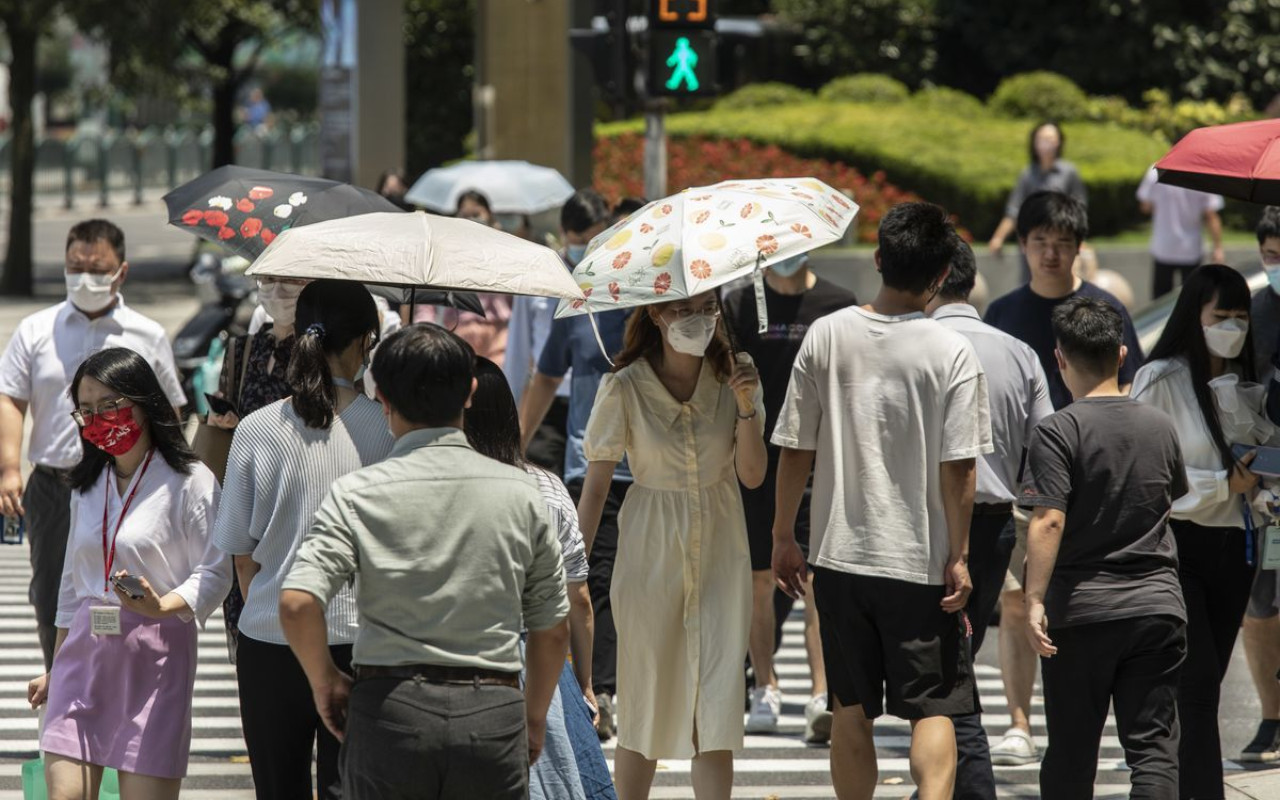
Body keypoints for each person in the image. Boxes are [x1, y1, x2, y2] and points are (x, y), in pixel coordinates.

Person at [279, 323, 570, 800]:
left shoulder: (358, 493)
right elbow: (552, 628)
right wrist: (533, 716)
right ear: (471, 393)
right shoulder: (522, 491)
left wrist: (325, 679)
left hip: (389, 711)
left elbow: (296, 604)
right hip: (492, 710)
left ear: (384, 399)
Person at [773, 202, 992, 800]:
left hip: (841, 558)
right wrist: (960, 554)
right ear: (943, 273)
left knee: (850, 709)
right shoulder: (951, 353)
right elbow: (960, 469)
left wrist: (784, 536)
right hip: (919, 562)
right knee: (934, 707)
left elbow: (796, 448)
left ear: (878, 259)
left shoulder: (827, 335)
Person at [575, 291, 766, 800]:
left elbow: (751, 475)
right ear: (656, 315)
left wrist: (746, 407)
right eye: (684, 310)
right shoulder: (624, 384)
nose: (698, 320)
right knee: (645, 698)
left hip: (723, 550)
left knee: (717, 700)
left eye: (707, 308)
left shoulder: (737, 372)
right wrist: (572, 568)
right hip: (650, 552)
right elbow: (595, 485)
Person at [212, 281, 393, 800]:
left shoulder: (257, 429)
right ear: (366, 342)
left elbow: (241, 554)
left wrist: (269, 610)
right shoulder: (387, 431)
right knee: (352, 788)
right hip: (362, 641)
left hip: (270, 639)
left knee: (277, 787)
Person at [983, 190, 1145, 766]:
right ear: (1023, 246)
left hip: (1096, 485)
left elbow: (1134, 391)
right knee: (1014, 603)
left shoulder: (1105, 309)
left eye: (1062, 243)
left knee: (1080, 604)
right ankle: (1020, 723)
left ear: (1079, 247)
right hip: (1023, 487)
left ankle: (1075, 722)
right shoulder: (1002, 313)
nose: (1051, 254)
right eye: (1039, 242)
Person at [27, 347, 230, 797]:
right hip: (84, 655)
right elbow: (70, 588)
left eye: (110, 405)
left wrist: (163, 605)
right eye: (87, 410)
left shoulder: (190, 481)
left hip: (154, 659)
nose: (99, 418)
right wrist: (56, 668)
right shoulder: (87, 484)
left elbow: (216, 571)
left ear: (144, 402)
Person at [1022, 296, 1189, 799]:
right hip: (1157, 607)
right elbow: (1169, 498)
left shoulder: (1057, 431)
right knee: (1154, 752)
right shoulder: (1159, 426)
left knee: (1072, 752)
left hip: (1081, 612)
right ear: (1121, 356)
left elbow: (1048, 518)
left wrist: (1032, 601)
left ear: (1059, 359)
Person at [0, 219, 185, 670]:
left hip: (127, 485)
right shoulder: (36, 330)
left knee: (127, 591)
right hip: (55, 484)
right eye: (74, 267)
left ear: (121, 272)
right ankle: (60, 686)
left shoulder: (146, 335)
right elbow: (10, 396)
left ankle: (121, 694)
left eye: (97, 269)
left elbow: (170, 410)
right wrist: (9, 467)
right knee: (53, 597)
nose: (85, 277)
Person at [1131, 264, 1278, 798]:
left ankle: (1165, 781)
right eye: (1222, 316)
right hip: (1180, 548)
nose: (1233, 327)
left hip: (1237, 547)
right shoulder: (1161, 379)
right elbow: (1144, 473)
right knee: (1196, 687)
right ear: (1195, 315)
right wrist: (1222, 483)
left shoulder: (1244, 385)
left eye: (1241, 317)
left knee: (1201, 686)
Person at [927, 235, 1053, 799]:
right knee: (952, 662)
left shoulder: (916, 344)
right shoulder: (1018, 351)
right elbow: (1045, 449)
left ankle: (969, 786)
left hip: (926, 523)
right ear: (971, 282)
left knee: (944, 673)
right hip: (997, 522)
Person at [465, 357, 614, 800]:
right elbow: (579, 599)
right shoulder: (547, 487)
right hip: (539, 664)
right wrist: (584, 682)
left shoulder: (434, 488)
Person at [722, 252, 857, 741]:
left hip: (820, 460)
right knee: (758, 579)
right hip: (758, 458)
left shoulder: (837, 303)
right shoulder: (738, 302)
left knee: (818, 581)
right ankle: (766, 685)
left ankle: (822, 693)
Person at [520, 302, 634, 740]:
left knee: (638, 581)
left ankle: (629, 678)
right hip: (587, 469)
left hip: (651, 472)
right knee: (595, 577)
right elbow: (547, 377)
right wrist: (517, 445)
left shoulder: (659, 316)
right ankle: (602, 688)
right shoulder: (577, 318)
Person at [209, 274, 310, 659]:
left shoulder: (319, 355)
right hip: (244, 491)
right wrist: (222, 416)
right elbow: (226, 399)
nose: (276, 290)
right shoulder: (243, 348)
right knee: (245, 629)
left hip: (293, 494)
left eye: (290, 281)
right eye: (267, 280)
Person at [505, 189, 611, 476]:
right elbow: (518, 349)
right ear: (563, 232)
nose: (585, 247)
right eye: (579, 241)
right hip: (548, 402)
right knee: (544, 482)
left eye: (593, 240)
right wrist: (511, 413)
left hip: (596, 401)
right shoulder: (539, 275)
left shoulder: (611, 279)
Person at [1245, 206, 1280, 762]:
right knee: (1260, 605)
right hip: (1267, 479)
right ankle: (1272, 716)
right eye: (1270, 256)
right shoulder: (1255, 310)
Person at [414, 190, 512, 365]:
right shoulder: (441, 256)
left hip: (499, 339)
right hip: (456, 338)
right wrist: (424, 336)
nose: (472, 220)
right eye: (465, 215)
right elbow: (426, 306)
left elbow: (519, 303)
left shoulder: (506, 252)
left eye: (476, 214)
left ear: (489, 215)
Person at [988, 122, 1087, 256]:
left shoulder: (1069, 173)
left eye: (1051, 139)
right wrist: (998, 237)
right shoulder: (1027, 174)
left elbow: (1078, 211)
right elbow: (1014, 211)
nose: (1047, 144)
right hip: (1033, 243)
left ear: (1059, 142)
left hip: (1062, 242)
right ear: (1034, 143)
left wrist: (1079, 240)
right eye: (1042, 139)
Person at [1137, 163, 1225, 298]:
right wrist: (1217, 247)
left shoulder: (1156, 170)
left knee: (1160, 300)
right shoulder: (1203, 173)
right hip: (1191, 248)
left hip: (1164, 245)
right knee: (1191, 299)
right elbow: (1211, 215)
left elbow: (1146, 206)